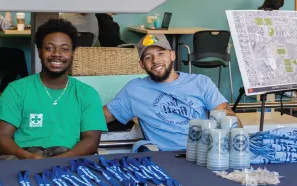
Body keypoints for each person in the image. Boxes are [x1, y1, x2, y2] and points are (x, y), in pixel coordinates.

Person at [0, 18, 108, 160]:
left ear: (72, 53)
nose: (57, 54)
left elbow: (91, 141)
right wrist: (27, 156)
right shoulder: (16, 90)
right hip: (23, 161)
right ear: (39, 51)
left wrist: (61, 160)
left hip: (69, 162)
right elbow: (0, 137)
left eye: (64, 49)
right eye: (49, 48)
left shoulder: (87, 94)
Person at [103, 34, 243, 151]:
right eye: (148, 57)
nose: (156, 60)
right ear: (141, 65)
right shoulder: (134, 90)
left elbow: (231, 119)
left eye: (161, 53)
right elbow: (102, 117)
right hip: (164, 158)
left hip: (202, 154)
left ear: (172, 55)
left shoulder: (201, 82)